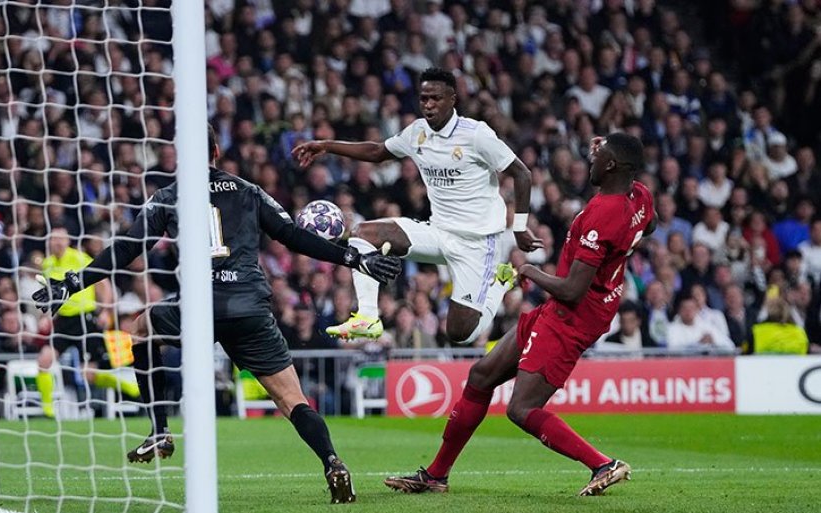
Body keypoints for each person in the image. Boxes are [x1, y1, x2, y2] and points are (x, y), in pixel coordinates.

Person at [32, 125, 402, 504]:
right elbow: (292, 235)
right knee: (293, 399)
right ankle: (332, 462)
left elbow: (128, 247)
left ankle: (159, 429)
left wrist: (74, 282)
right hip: (249, 307)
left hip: (199, 306)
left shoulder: (169, 196)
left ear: (181, 154)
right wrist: (353, 257)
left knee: (141, 328)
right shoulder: (248, 190)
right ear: (216, 151)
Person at [383, 133, 655, 497]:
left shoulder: (602, 213)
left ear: (611, 166)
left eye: (599, 156)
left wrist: (529, 271)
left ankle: (603, 464)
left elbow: (572, 290)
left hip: (572, 317)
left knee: (522, 408)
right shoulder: (640, 196)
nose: (591, 158)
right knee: (481, 375)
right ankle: (436, 475)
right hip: (572, 309)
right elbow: (648, 225)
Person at [293, 67, 542, 345]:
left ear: (452, 99)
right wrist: (327, 145)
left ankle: (500, 283)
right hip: (439, 232)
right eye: (424, 98)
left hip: (477, 244)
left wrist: (520, 227)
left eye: (436, 98)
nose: (429, 105)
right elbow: (377, 151)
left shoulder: (476, 135)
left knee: (459, 334)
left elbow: (522, 173)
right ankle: (368, 317)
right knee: (363, 233)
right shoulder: (417, 132)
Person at [37, 225, 138, 418]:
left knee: (88, 374)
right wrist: (45, 317)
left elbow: (103, 283)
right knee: (44, 360)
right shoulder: (48, 264)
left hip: (85, 318)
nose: (57, 242)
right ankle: (47, 409)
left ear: (68, 241)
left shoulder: (80, 258)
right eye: (53, 238)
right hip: (63, 321)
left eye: (61, 238)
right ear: (48, 241)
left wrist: (106, 311)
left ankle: (127, 385)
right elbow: (51, 295)